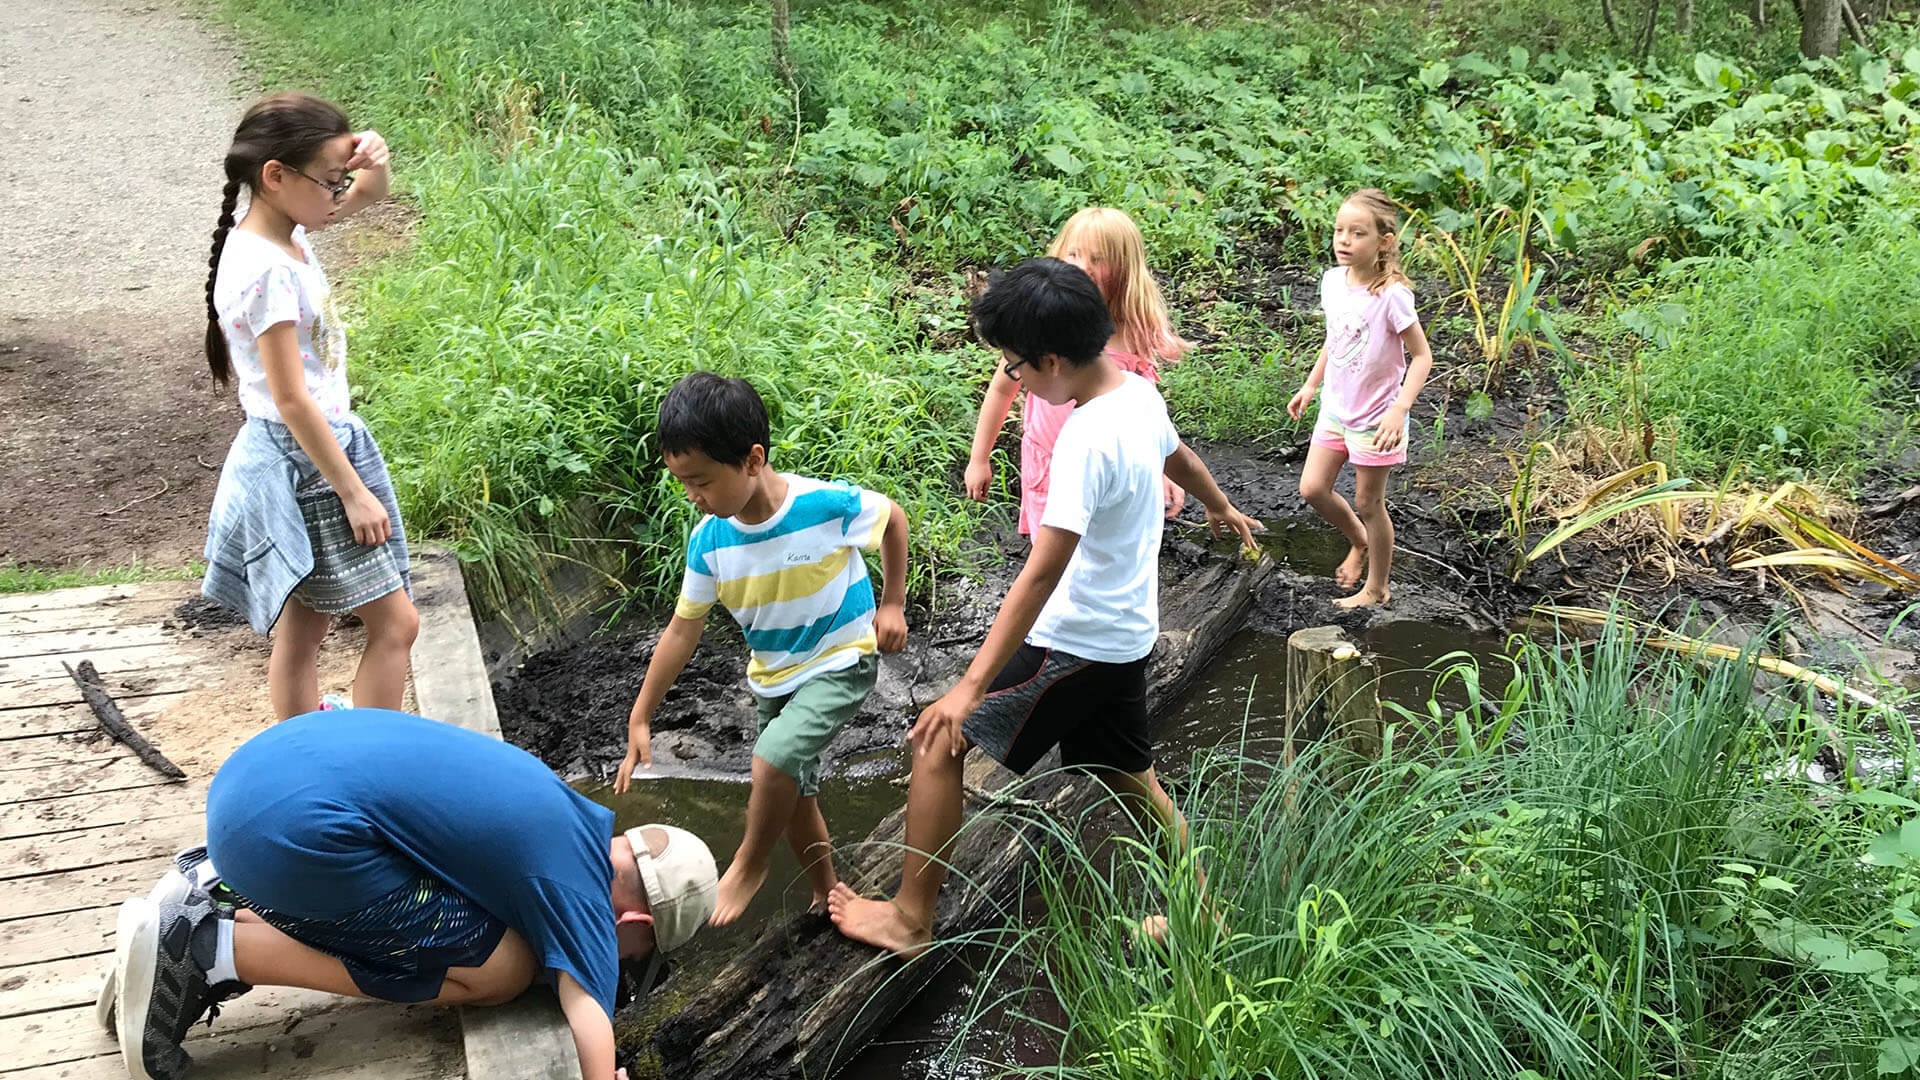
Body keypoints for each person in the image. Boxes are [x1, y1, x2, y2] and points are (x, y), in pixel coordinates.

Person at [828, 259, 1260, 958]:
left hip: (1074, 640)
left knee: (938, 740)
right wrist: (1220, 505)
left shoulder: (1084, 439)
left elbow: (1039, 574)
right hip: (1124, 638)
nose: (1013, 378)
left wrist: (967, 688)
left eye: (1015, 365)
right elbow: (1178, 456)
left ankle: (910, 920)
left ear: (1053, 359)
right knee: (1130, 779)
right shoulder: (1136, 394)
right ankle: (1203, 918)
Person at [103, 709, 717, 1080]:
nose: (625, 960)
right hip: (286, 840)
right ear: (633, 916)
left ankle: (216, 886)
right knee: (502, 968)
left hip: (259, 779)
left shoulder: (565, 812)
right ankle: (213, 947)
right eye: (636, 950)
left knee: (452, 904)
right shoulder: (580, 889)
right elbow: (588, 1010)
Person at [616, 372, 910, 927]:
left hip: (841, 659)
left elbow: (892, 518)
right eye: (683, 483)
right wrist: (640, 715)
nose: (693, 496)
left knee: (771, 761)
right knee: (795, 799)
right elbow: (682, 630)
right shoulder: (710, 541)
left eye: (700, 481)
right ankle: (828, 893)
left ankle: (748, 865)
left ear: (753, 459)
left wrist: (891, 603)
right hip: (774, 678)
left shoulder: (822, 505)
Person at [198, 93, 418, 718]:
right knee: (397, 626)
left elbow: (371, 194)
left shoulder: (282, 232)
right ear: (275, 176)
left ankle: (308, 755)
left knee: (304, 628)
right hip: (312, 457)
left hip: (302, 447)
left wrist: (370, 158)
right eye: (329, 183)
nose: (338, 197)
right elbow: (292, 399)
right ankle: (368, 764)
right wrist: (353, 491)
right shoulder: (268, 268)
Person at [964, 207, 1193, 534]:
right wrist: (979, 458)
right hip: (1051, 466)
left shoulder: (1133, 331)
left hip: (1110, 468)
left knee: (1099, 548)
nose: (1084, 267)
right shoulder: (1041, 321)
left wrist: (1162, 471)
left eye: (1098, 259)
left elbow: (1147, 416)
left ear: (1125, 268)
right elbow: (1003, 387)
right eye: (1074, 254)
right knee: (1050, 555)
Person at [1287, 188, 1434, 608]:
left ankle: (1377, 588)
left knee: (1369, 501)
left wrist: (1399, 409)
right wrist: (1311, 385)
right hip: (1336, 407)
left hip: (1376, 417)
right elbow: (1335, 340)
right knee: (1313, 487)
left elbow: (1422, 357)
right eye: (1338, 231)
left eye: (1357, 233)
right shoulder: (1333, 282)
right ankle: (1360, 540)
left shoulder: (1391, 295)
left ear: (1383, 242)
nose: (1343, 240)